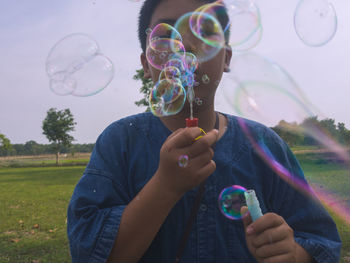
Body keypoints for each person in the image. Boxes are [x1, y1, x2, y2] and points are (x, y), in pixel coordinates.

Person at [67, 0, 342, 262]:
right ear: (146, 64)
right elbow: (89, 254)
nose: (185, 46)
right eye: (167, 35)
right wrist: (165, 185)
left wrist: (292, 254)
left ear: (226, 58)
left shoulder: (264, 144)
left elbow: (320, 240)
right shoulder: (119, 143)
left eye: (204, 31)